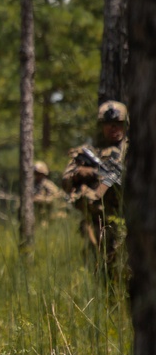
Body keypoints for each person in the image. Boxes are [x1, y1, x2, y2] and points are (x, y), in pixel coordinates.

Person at [62, 100, 128, 273]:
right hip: (96, 224)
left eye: (118, 124)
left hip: (129, 221)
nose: (113, 128)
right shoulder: (91, 152)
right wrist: (87, 172)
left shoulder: (135, 149)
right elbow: (66, 180)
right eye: (108, 124)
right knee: (100, 271)